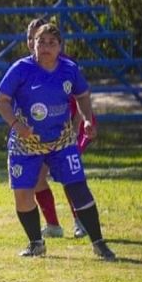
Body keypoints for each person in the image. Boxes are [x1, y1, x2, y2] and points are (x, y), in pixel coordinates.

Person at [0, 23, 116, 261]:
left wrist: (87, 120)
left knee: (78, 187)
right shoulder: (20, 69)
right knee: (22, 195)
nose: (46, 47)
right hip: (25, 143)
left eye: (52, 42)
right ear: (33, 44)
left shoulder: (69, 69)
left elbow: (82, 95)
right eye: (41, 42)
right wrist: (17, 125)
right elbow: (2, 100)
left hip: (61, 141)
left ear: (60, 46)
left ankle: (99, 243)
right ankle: (36, 243)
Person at [24, 18, 89, 239]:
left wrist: (77, 126)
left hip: (73, 127)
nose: (37, 44)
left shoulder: (66, 66)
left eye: (42, 40)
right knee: (37, 178)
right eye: (33, 39)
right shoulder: (26, 67)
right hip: (46, 133)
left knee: (68, 175)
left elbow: (81, 99)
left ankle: (82, 221)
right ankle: (53, 225)